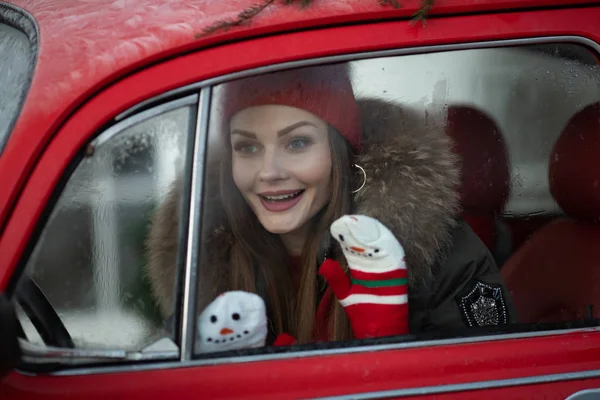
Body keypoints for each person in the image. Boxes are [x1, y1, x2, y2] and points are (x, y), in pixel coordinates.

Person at [146, 62, 517, 346]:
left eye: (297, 143)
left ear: (339, 153)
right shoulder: (208, 266)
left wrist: (387, 347)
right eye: (247, 147)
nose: (268, 172)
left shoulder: (437, 254)